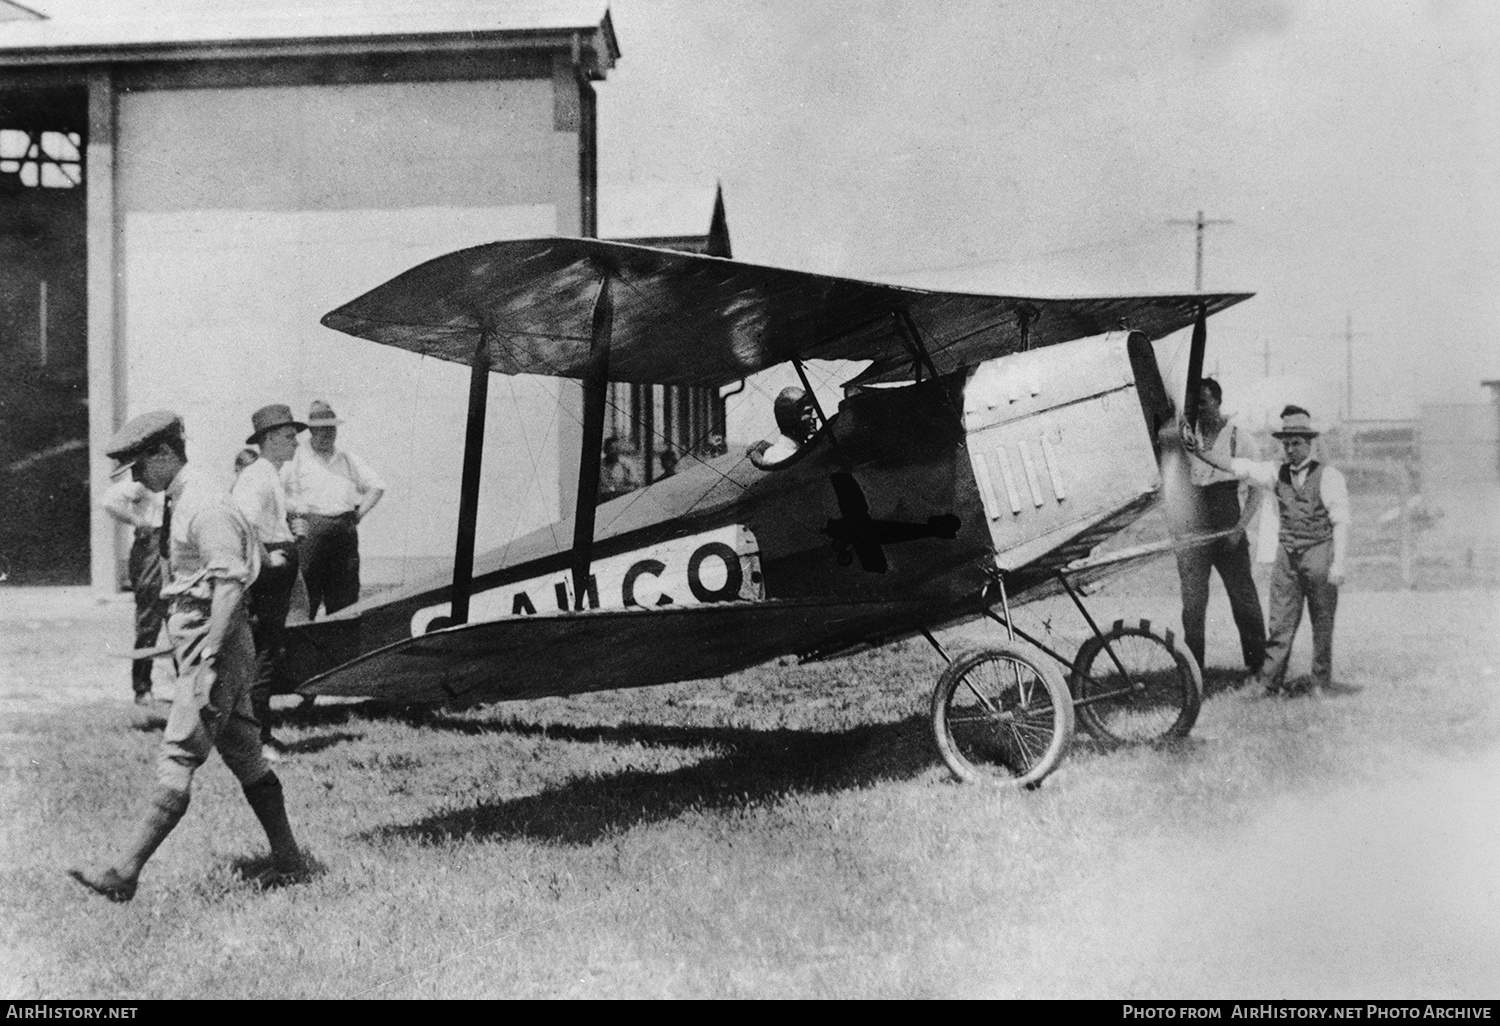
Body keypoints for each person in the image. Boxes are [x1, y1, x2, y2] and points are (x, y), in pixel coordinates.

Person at [70, 410, 308, 902]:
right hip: (204, 637)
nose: (135, 477)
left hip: (212, 640)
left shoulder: (204, 503)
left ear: (163, 453)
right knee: (244, 751)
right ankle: (290, 862)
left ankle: (123, 872)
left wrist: (210, 661)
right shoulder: (186, 493)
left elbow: (228, 586)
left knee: (179, 753)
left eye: (139, 465)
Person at [1185, 405, 1358, 698]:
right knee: (1280, 623)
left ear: (1309, 443)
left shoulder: (1329, 477)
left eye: (1296, 443)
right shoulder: (1275, 473)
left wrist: (1338, 564)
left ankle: (1320, 682)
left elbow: (1341, 523)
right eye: (1286, 443)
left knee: (1322, 621)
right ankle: (1269, 683)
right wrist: (1201, 453)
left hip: (1319, 555)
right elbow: (1237, 466)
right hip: (1287, 558)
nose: (1290, 449)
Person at [1174, 379, 1267, 675]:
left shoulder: (1241, 438)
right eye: (1195, 404)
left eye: (1204, 402)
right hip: (1194, 525)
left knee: (1243, 597)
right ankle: (1193, 670)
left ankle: (1258, 666)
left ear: (1218, 401)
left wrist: (1239, 528)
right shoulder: (1185, 439)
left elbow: (1257, 489)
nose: (1199, 409)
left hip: (1229, 523)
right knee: (1193, 603)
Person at [233, 405, 306, 759]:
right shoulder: (256, 475)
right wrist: (267, 558)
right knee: (262, 653)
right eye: (290, 437)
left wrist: (293, 529)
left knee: (269, 650)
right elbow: (243, 523)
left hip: (280, 562)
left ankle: (257, 735)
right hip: (268, 571)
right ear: (271, 439)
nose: (296, 443)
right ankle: (258, 740)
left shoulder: (271, 474)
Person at [282, 400, 385, 619]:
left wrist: (358, 515)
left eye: (332, 428)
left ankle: (343, 650)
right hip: (310, 536)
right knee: (306, 598)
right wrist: (293, 517)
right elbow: (277, 492)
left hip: (344, 535)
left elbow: (377, 486)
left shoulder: (347, 458)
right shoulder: (297, 457)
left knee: (345, 601)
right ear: (311, 430)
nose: (328, 434)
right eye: (322, 429)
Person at [100, 474, 168, 704]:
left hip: (176, 543)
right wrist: (137, 520)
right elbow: (109, 501)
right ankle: (142, 687)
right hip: (152, 547)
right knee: (149, 620)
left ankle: (188, 688)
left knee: (182, 619)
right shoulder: (144, 482)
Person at [759, 387, 818, 465]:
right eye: (807, 412)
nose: (815, 416)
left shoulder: (797, 450)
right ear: (792, 419)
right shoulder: (780, 456)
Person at [598, 436, 641, 501]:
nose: (613, 452)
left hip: (622, 498)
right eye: (610, 449)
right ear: (605, 450)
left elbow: (635, 485)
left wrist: (618, 490)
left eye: (617, 449)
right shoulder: (600, 464)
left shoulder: (626, 464)